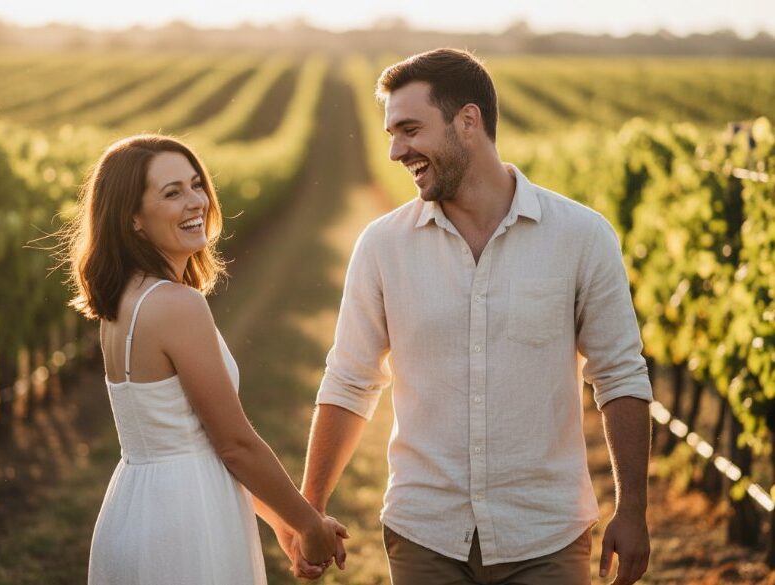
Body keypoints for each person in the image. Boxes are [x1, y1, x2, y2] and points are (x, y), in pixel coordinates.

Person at [279, 49, 653, 584]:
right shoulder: (383, 246)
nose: (394, 150)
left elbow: (620, 375)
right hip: (424, 533)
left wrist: (633, 508)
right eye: (390, 133)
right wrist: (309, 510)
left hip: (546, 534)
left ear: (468, 122)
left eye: (409, 129)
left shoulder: (581, 236)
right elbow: (349, 381)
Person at [66, 134, 347, 584]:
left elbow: (202, 441)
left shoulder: (124, 300)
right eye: (172, 193)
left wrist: (280, 521)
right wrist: (310, 525)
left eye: (196, 184)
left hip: (137, 506)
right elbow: (235, 443)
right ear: (133, 219)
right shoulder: (176, 304)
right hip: (185, 518)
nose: (196, 201)